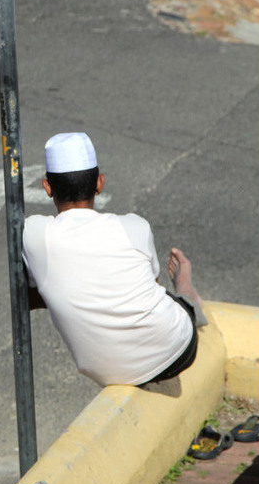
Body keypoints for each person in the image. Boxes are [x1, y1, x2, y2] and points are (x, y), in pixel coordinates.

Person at [22, 132, 207, 387]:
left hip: (106, 372)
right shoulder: (135, 227)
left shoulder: (33, 233)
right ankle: (186, 289)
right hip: (178, 350)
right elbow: (149, 282)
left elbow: (27, 297)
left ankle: (184, 297)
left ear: (47, 187)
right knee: (171, 299)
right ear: (99, 183)